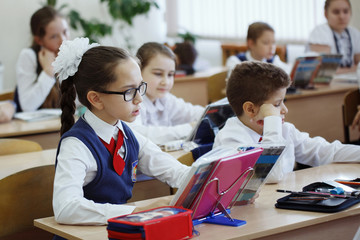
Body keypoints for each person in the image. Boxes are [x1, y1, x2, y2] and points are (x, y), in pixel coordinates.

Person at [52, 38, 190, 226]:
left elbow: (173, 170)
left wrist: (203, 180)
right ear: (96, 99)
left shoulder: (126, 134)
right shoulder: (76, 145)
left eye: (140, 87)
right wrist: (137, 211)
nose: (139, 99)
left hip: (119, 231)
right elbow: (66, 208)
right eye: (129, 92)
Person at [213, 61, 360, 183]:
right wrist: (272, 121)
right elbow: (269, 175)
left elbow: (325, 151)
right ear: (250, 109)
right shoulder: (231, 139)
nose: (285, 110)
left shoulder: (284, 130)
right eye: (277, 104)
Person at [129, 42, 205, 145]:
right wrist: (189, 128)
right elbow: (138, 133)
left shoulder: (166, 99)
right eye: (158, 74)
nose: (166, 82)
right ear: (139, 71)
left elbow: (193, 112)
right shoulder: (131, 101)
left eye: (170, 75)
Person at [14, 6, 70, 112]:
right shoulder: (29, 56)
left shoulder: (71, 56)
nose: (63, 40)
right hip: (36, 127)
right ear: (39, 40)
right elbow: (27, 106)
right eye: (54, 36)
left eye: (65, 32)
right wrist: (48, 72)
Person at [306, 0, 360, 73]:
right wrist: (353, 69)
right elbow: (325, 70)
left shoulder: (354, 33)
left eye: (346, 11)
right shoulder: (319, 32)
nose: (342, 16)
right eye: (336, 12)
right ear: (326, 14)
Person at [226, 21, 291, 76]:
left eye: (273, 42)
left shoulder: (273, 61)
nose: (272, 47)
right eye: (266, 43)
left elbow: (290, 72)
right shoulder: (236, 62)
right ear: (251, 44)